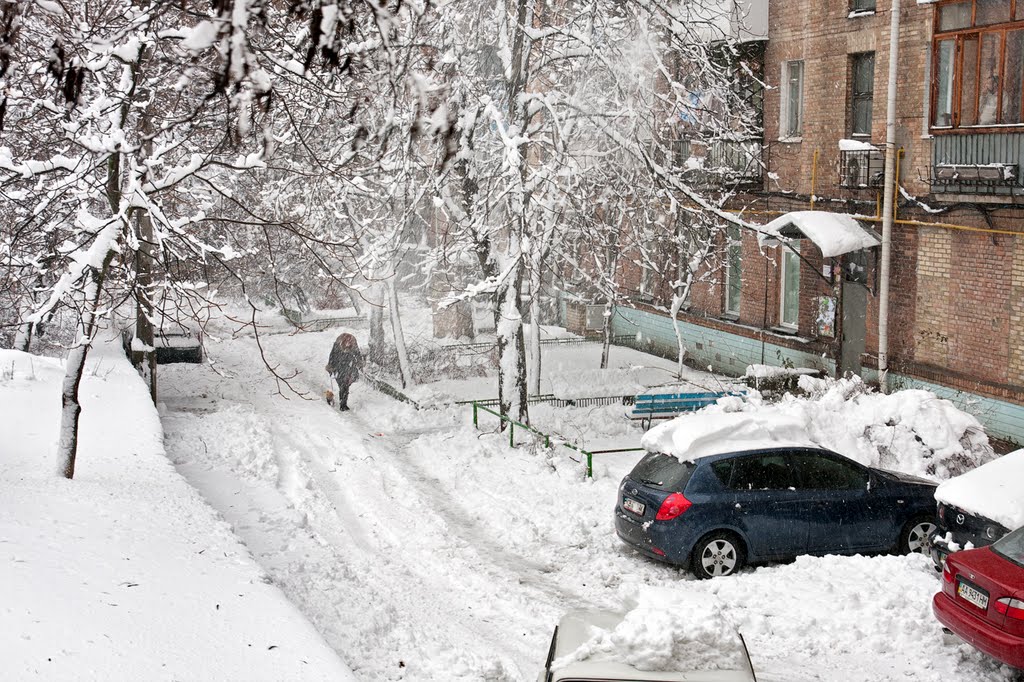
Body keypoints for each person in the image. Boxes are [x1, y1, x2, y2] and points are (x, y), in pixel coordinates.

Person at [325, 333, 364, 411]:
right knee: (343, 386)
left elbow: (357, 354)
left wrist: (359, 363)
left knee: (345, 386)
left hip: (349, 367)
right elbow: (332, 355)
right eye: (346, 342)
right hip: (339, 367)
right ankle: (342, 404)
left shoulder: (353, 345)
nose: (348, 343)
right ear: (343, 341)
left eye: (349, 342)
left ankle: (343, 404)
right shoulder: (337, 345)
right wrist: (330, 366)